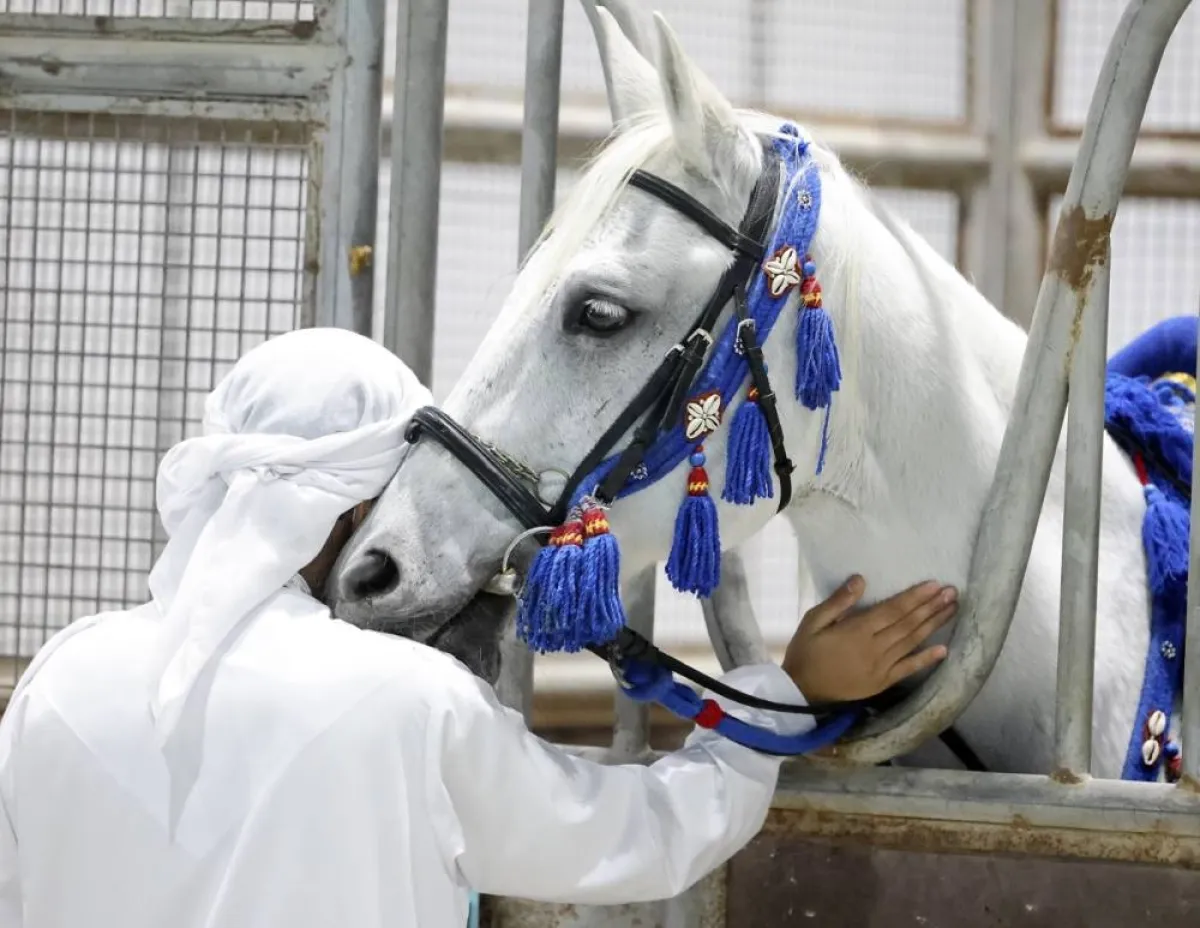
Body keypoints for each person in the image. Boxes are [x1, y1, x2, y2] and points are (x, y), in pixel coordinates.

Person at [0, 327, 956, 927]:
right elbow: (646, 833)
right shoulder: (402, 703)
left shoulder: (63, 681)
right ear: (359, 508)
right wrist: (786, 693)